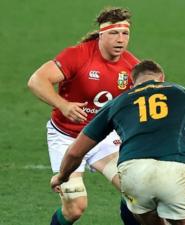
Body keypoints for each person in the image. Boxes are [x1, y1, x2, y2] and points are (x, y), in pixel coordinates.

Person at [50, 60, 185, 225]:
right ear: (162, 78)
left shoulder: (117, 102)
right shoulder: (184, 94)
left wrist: (61, 176)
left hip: (132, 174)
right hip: (172, 171)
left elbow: (75, 151)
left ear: (133, 83)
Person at [27, 7, 141, 225]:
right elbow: (36, 80)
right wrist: (64, 105)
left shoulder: (132, 67)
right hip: (67, 138)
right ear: (101, 34)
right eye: (113, 33)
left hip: (103, 138)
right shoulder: (78, 55)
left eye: (125, 34)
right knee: (75, 208)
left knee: (135, 192)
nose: (120, 40)